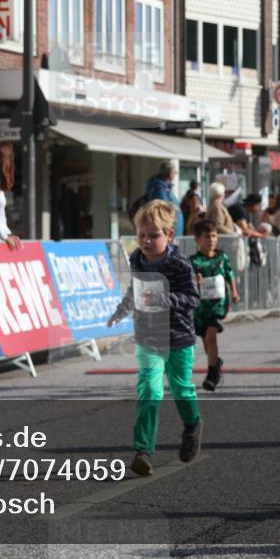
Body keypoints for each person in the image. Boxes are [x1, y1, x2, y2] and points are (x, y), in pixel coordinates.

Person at [107, 200, 202, 477]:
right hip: (148, 336)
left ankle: (192, 425)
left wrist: (165, 298)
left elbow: (192, 297)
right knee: (150, 390)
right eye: (142, 235)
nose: (146, 241)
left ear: (169, 235)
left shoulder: (180, 264)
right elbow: (134, 290)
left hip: (178, 336)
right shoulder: (136, 258)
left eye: (154, 235)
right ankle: (143, 451)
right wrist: (121, 309)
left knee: (182, 389)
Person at [190, 218, 240, 392]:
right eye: (206, 237)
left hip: (218, 304)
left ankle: (212, 375)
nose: (211, 240)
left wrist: (234, 292)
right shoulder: (194, 261)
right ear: (197, 240)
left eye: (214, 236)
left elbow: (229, 274)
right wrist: (195, 281)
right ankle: (215, 362)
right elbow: (188, 281)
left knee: (211, 336)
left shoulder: (222, 257)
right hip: (201, 306)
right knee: (206, 339)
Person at [145, 160, 184, 237]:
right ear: (170, 174)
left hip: (171, 234)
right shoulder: (160, 189)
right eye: (175, 173)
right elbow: (163, 210)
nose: (175, 175)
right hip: (167, 235)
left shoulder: (165, 188)